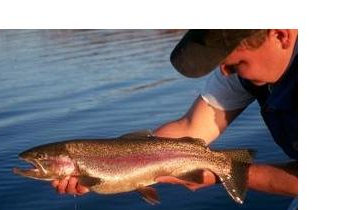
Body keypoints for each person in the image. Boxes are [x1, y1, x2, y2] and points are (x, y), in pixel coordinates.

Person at [51, 29, 298, 198]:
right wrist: (111, 168)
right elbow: (189, 128)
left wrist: (225, 171)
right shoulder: (240, 70)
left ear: (279, 35)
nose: (224, 73)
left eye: (235, 64)